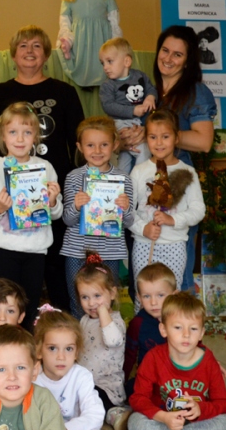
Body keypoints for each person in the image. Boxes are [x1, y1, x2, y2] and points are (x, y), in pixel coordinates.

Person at [0, 26, 83, 313]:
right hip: (7, 209)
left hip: (49, 195)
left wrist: (57, 196)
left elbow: (79, 143)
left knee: (52, 269)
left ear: (47, 54)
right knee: (9, 288)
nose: (29, 50)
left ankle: (58, 324)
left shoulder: (64, 92)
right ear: (13, 54)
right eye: (23, 45)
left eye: (37, 45)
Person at [121, 26, 216, 290]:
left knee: (175, 279)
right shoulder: (145, 87)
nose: (168, 58)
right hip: (141, 185)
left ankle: (180, 316)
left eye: (177, 54)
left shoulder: (196, 92)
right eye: (165, 50)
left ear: (188, 61)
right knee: (143, 276)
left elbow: (204, 141)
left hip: (176, 188)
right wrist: (125, 137)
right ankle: (144, 317)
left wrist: (156, 135)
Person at [128, 292, 226, 430]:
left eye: (193, 329)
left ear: (202, 333)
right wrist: (163, 417)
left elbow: (224, 404)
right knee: (135, 422)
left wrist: (200, 409)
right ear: (163, 330)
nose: (186, 334)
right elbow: (138, 398)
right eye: (178, 327)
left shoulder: (209, 361)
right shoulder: (153, 358)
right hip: (163, 420)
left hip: (195, 424)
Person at [0, 103, 62, 330]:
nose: (20, 139)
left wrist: (53, 201)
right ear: (3, 136)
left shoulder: (45, 167)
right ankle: (5, 342)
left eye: (27, 132)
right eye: (13, 132)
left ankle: (26, 345)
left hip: (36, 250)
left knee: (30, 306)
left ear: (36, 136)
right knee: (6, 305)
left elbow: (56, 213)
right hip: (6, 249)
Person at [60, 116, 133, 318]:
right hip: (77, 251)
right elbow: (67, 220)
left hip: (110, 252)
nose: (97, 151)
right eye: (90, 145)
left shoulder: (123, 179)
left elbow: (129, 222)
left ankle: (108, 338)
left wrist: (126, 208)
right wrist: (76, 205)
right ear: (80, 147)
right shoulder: (74, 177)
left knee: (107, 303)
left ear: (115, 145)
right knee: (78, 303)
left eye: (104, 144)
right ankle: (80, 339)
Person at [129, 110, 204, 291]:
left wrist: (173, 220)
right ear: (146, 139)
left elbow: (198, 210)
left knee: (170, 296)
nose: (159, 143)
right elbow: (126, 210)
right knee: (145, 294)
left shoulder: (188, 172)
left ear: (176, 138)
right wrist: (143, 228)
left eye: (165, 136)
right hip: (144, 244)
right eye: (153, 137)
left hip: (175, 245)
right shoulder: (139, 171)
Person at [33, 307, 106, 430]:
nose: (61, 357)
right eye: (52, 348)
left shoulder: (81, 376)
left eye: (68, 349)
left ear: (76, 352)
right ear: (39, 351)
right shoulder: (32, 378)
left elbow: (95, 414)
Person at [74, 254, 132, 430]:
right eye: (85, 297)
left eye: (97, 296)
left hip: (106, 385)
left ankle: (116, 414)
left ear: (112, 293)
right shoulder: (84, 320)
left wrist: (103, 313)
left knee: (96, 400)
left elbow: (112, 340)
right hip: (84, 380)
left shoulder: (115, 321)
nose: (91, 303)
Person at [98, 37, 157, 174]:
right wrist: (133, 110)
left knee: (125, 158)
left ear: (127, 61)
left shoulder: (140, 76)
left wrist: (150, 97)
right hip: (120, 122)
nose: (105, 67)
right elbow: (108, 106)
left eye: (109, 61)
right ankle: (139, 178)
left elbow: (151, 89)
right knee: (141, 149)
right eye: (103, 63)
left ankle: (126, 180)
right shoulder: (108, 85)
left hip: (139, 121)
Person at [124, 262, 176, 388]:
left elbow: (196, 345)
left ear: (174, 295)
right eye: (147, 296)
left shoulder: (182, 318)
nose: (153, 302)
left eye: (160, 295)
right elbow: (129, 355)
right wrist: (122, 381)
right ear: (139, 297)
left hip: (177, 379)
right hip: (148, 380)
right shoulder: (137, 323)